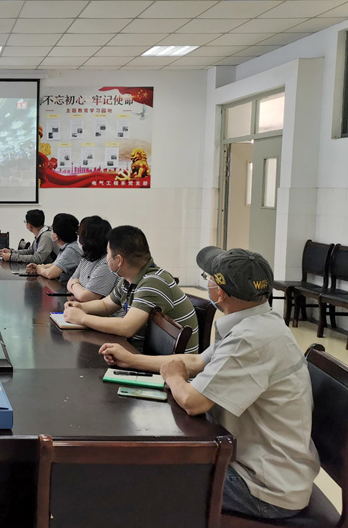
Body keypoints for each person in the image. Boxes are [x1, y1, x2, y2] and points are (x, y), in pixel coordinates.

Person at [99, 247, 320, 519]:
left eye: (209, 278)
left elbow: (193, 401)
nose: (207, 283)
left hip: (263, 486)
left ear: (220, 293)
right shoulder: (259, 321)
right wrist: (132, 359)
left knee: (146, 479)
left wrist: (174, 377)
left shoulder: (250, 340)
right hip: (267, 466)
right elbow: (195, 361)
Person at [63, 225, 198, 353]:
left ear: (118, 260)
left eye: (108, 253)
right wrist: (81, 307)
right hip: (142, 353)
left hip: (163, 364)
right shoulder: (129, 279)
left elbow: (126, 327)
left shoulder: (153, 282)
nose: (106, 258)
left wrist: (82, 318)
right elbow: (106, 305)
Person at [66, 216, 118, 302]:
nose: (78, 237)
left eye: (79, 233)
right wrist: (76, 287)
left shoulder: (107, 263)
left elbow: (86, 297)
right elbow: (69, 283)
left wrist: (74, 284)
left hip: (100, 310)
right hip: (83, 306)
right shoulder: (87, 258)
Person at [25, 213, 81, 284]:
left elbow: (50, 274)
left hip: (67, 288)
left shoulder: (71, 250)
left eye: (52, 230)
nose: (51, 231)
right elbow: (55, 264)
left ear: (56, 236)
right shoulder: (68, 246)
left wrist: (39, 270)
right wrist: (38, 267)